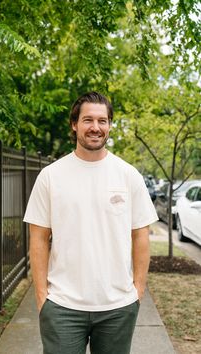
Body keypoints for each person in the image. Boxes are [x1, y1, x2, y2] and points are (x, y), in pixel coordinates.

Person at [24, 91, 158, 354]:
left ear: (109, 125)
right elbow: (38, 238)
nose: (95, 127)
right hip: (62, 307)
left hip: (118, 308)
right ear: (74, 124)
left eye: (102, 121)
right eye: (88, 120)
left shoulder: (128, 175)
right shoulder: (50, 176)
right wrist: (42, 297)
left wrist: (137, 292)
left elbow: (141, 235)